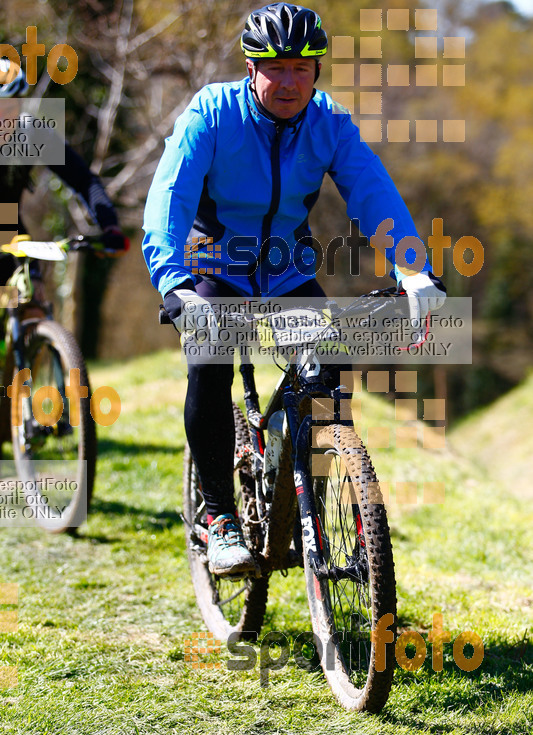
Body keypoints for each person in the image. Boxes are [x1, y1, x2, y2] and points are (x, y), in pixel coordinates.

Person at [143, 3, 445, 578]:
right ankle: (222, 521)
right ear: (251, 68)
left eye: (301, 69)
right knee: (209, 358)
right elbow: (169, 199)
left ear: (317, 73)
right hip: (214, 262)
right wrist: (174, 283)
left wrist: (412, 270)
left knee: (328, 362)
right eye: (275, 67)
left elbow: (371, 191)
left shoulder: (328, 122)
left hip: (284, 267)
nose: (288, 81)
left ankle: (319, 491)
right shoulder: (211, 114)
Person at [0, 55, 128, 289]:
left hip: (7, 224)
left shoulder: (31, 132)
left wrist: (110, 225)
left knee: (29, 296)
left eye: (10, 107)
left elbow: (83, 180)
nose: (4, 118)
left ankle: (31, 323)